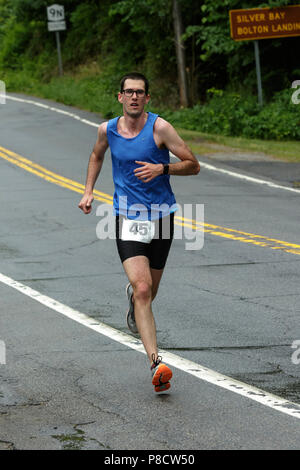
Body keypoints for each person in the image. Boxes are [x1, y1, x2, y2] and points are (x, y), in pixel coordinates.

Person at [78, 72, 200, 392]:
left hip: (161, 218)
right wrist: (88, 191)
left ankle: (135, 305)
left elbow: (193, 163)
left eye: (140, 93)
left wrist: (164, 168)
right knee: (143, 288)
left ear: (148, 98)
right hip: (127, 217)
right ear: (120, 97)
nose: (134, 97)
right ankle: (156, 364)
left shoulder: (160, 128)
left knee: (149, 292)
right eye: (128, 92)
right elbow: (96, 155)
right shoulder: (107, 130)